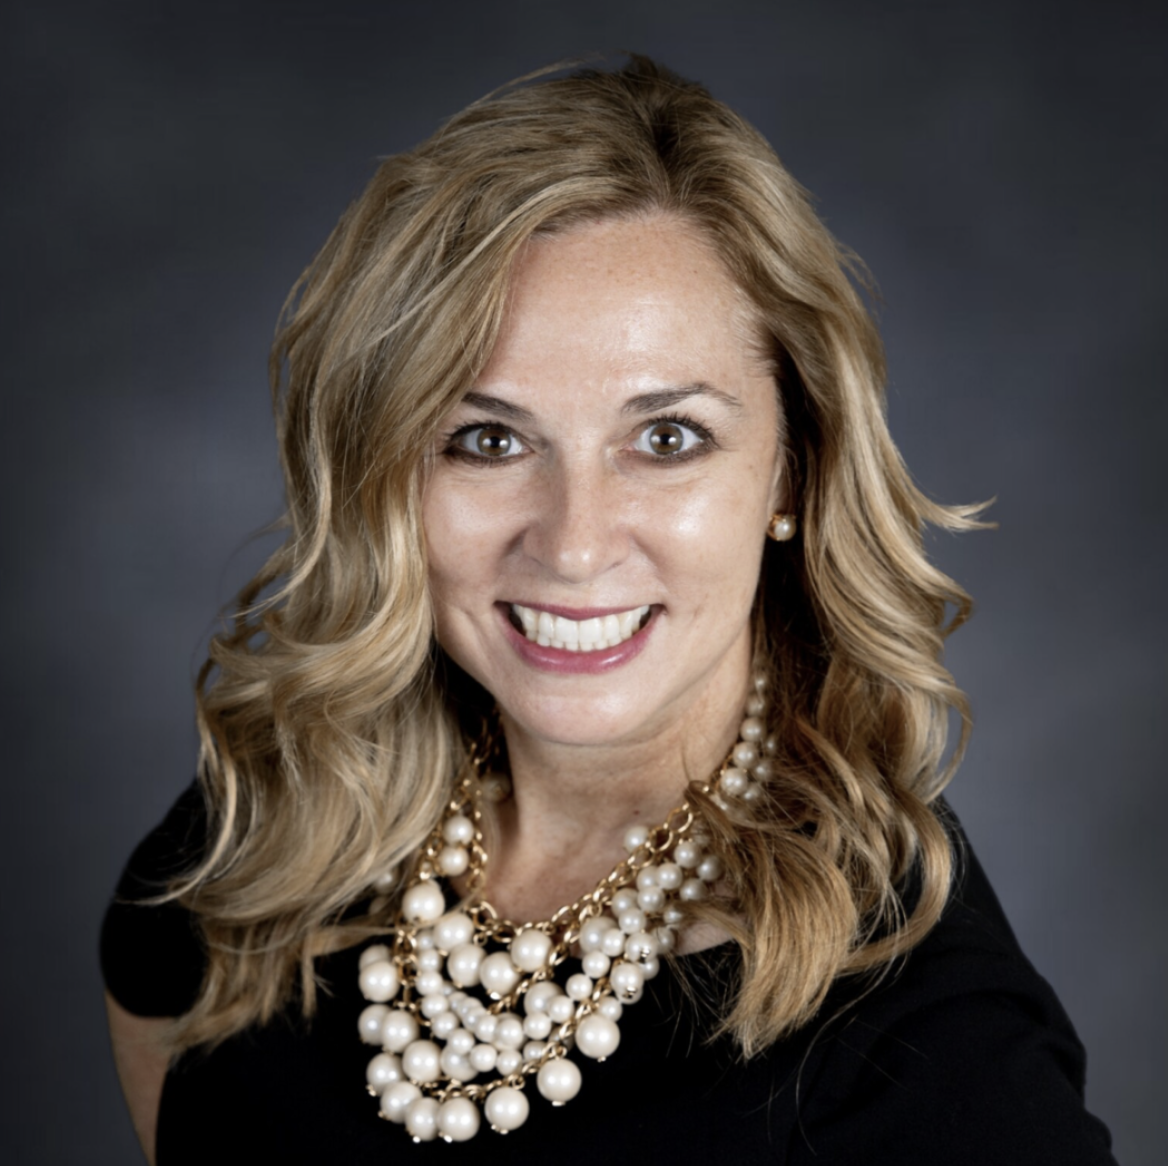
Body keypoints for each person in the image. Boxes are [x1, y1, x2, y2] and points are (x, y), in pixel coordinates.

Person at [101, 57, 1117, 1164]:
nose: (574, 542)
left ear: (794, 468)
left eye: (667, 438)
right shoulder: (280, 814)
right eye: (486, 439)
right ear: (384, 470)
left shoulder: (927, 1056)